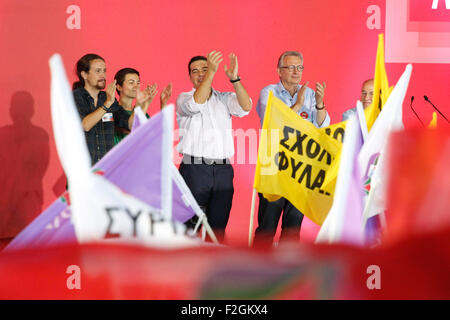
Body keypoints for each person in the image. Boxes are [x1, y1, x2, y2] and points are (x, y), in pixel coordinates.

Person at [254, 50, 330, 247]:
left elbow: (322, 128)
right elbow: (273, 122)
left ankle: (288, 275)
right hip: (275, 168)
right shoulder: (268, 93)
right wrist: (297, 105)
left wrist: (320, 105)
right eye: (291, 67)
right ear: (279, 71)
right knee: (266, 228)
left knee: (292, 229)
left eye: (300, 67)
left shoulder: (311, 95)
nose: (297, 72)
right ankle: (257, 273)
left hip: (300, 170)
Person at [176, 51, 252, 242]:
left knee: (217, 227)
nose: (201, 73)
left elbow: (245, 107)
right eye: (196, 71)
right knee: (190, 227)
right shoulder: (183, 98)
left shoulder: (224, 99)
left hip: (222, 171)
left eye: (205, 69)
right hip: (194, 169)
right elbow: (196, 104)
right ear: (189, 76)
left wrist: (234, 79)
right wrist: (210, 73)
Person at [72, 54, 135, 164]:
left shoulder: (107, 98)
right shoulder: (75, 97)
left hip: (105, 170)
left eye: (104, 71)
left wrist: (141, 104)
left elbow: (130, 124)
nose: (103, 75)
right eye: (98, 71)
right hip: (82, 171)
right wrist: (106, 105)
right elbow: (85, 125)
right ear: (84, 74)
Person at [113, 67, 173, 144]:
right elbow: (133, 129)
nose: (136, 86)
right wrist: (144, 105)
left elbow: (158, 135)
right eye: (131, 83)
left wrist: (163, 104)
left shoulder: (143, 113)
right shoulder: (112, 111)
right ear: (119, 87)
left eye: (138, 83)